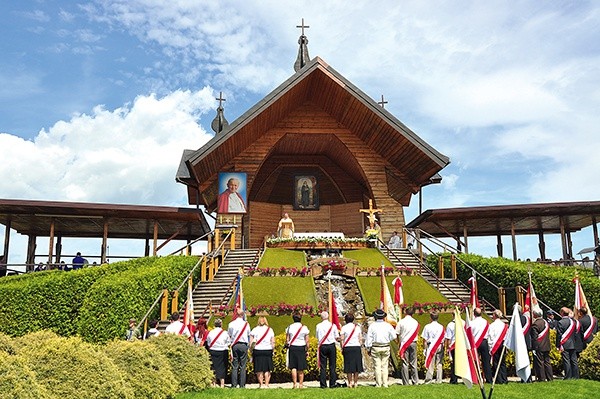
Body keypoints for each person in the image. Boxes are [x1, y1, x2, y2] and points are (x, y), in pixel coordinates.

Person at [365, 309, 397, 387]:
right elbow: (394, 336)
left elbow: (369, 338)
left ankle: (378, 384)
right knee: (384, 366)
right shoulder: (388, 325)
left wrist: (368, 348)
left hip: (376, 347)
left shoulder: (372, 326)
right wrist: (387, 339)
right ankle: (385, 383)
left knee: (377, 366)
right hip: (385, 346)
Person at [249, 316, 275, 388]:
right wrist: (273, 350)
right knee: (267, 368)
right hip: (267, 349)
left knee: (259, 368)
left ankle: (261, 384)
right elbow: (273, 342)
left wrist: (250, 350)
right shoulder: (270, 330)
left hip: (258, 350)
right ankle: (266, 384)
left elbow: (251, 342)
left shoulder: (254, 329)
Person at [285, 313, 310, 389]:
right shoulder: (304, 328)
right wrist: (307, 350)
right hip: (301, 347)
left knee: (293, 366)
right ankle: (301, 384)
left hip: (292, 347)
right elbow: (307, 341)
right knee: (301, 367)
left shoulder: (289, 327)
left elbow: (287, 339)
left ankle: (294, 383)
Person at [396, 307, 419, 385]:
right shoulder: (415, 322)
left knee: (405, 363)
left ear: (405, 312)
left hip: (404, 343)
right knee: (413, 362)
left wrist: (398, 342)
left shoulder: (401, 322)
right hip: (413, 343)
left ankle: (406, 382)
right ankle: (415, 381)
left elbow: (397, 333)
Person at [316, 311, 339, 388]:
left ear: (321, 317)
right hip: (331, 345)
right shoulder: (333, 325)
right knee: (332, 366)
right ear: (328, 316)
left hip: (323, 346)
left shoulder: (318, 326)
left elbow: (317, 337)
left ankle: (323, 384)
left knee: (323, 366)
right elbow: (336, 337)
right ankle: (332, 384)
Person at [228, 308, 250, 388]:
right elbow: (248, 334)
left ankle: (234, 384)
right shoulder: (246, 324)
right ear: (243, 315)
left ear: (236, 314)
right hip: (243, 345)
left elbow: (229, 335)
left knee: (234, 366)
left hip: (235, 345)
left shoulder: (231, 324)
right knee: (243, 366)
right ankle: (242, 385)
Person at [554, 307, 578, 379]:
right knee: (574, 360)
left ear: (561, 313)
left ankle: (568, 376)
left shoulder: (561, 322)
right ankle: (576, 375)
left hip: (565, 344)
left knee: (566, 360)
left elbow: (559, 335)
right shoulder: (573, 322)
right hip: (573, 343)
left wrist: (558, 345)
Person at [340, 313, 363, 388]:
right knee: (356, 366)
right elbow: (360, 338)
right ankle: (356, 382)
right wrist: (360, 345)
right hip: (356, 347)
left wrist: (342, 347)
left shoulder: (344, 328)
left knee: (348, 366)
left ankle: (350, 382)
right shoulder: (357, 327)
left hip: (347, 347)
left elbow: (342, 339)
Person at [421, 311, 445, 384]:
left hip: (431, 345)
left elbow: (424, 339)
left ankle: (428, 379)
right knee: (439, 363)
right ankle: (439, 380)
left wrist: (424, 349)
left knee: (430, 363)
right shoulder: (441, 327)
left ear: (430, 318)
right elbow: (443, 338)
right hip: (440, 345)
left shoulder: (427, 326)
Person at [206, 318, 230, 388]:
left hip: (213, 350)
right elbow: (228, 342)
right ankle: (222, 384)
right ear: (221, 324)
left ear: (214, 325)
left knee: (214, 366)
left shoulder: (211, 332)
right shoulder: (225, 333)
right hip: (222, 350)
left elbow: (208, 342)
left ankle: (214, 383)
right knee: (222, 367)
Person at [471, 307, 492, 383]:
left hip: (475, 343)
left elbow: (471, 334)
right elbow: (489, 333)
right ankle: (489, 379)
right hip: (484, 342)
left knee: (475, 361)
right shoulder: (486, 322)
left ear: (474, 314)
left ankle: (476, 378)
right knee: (486, 362)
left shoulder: (472, 323)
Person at [487, 309, 508, 384]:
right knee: (502, 362)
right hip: (503, 344)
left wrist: (490, 347)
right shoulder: (504, 325)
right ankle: (504, 379)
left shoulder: (492, 325)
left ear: (494, 315)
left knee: (496, 362)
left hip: (495, 345)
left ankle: (498, 379)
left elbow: (490, 337)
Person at [531, 309, 553, 382]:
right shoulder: (545, 322)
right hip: (546, 345)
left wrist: (534, 347)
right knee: (547, 362)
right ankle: (550, 378)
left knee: (540, 362)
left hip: (539, 346)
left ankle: (542, 378)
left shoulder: (535, 324)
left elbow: (534, 338)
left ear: (535, 315)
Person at [444, 312, 458, 384]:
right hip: (461, 345)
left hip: (454, 346)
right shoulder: (464, 323)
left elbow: (448, 338)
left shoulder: (450, 325)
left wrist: (447, 348)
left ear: (452, 315)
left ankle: (454, 379)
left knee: (454, 363)